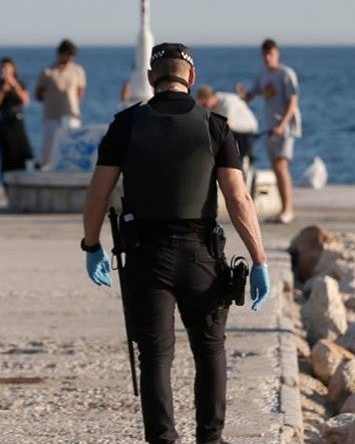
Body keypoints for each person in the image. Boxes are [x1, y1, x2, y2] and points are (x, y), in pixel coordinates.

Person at [81, 42, 270, 444]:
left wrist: (91, 245)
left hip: (145, 256)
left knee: (155, 357)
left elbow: (97, 194)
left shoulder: (126, 124)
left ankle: (163, 440)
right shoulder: (215, 126)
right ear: (192, 79)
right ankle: (210, 438)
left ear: (152, 78)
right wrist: (259, 260)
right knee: (210, 350)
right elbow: (239, 199)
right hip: (201, 253)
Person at [235, 38, 301, 224]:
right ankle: (283, 209)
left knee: (281, 166)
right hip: (271, 128)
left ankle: (288, 209)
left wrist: (283, 125)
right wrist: (241, 93)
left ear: (277, 54)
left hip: (285, 127)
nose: (267, 58)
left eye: (270, 54)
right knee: (276, 168)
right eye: (264, 54)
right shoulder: (263, 75)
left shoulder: (286, 74)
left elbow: (293, 100)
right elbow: (250, 97)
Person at [35, 39, 87, 168]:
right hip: (52, 115)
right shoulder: (48, 72)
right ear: (60, 53)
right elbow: (38, 94)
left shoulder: (78, 71)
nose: (70, 58)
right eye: (68, 54)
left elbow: (81, 91)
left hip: (71, 114)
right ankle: (46, 171)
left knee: (73, 145)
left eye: (72, 55)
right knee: (49, 147)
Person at [196, 86, 260, 169]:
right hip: (231, 131)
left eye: (205, 104)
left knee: (240, 157)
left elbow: (226, 123)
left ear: (211, 97)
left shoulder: (228, 101)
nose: (205, 107)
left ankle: (247, 173)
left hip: (247, 131)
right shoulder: (212, 106)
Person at [0, 57, 33, 175]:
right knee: (6, 154)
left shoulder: (19, 84)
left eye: (6, 67)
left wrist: (14, 85)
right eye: (2, 68)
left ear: (13, 69)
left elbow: (26, 100)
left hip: (17, 121)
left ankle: (23, 175)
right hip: (3, 122)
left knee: (22, 151)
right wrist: (2, 91)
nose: (3, 70)